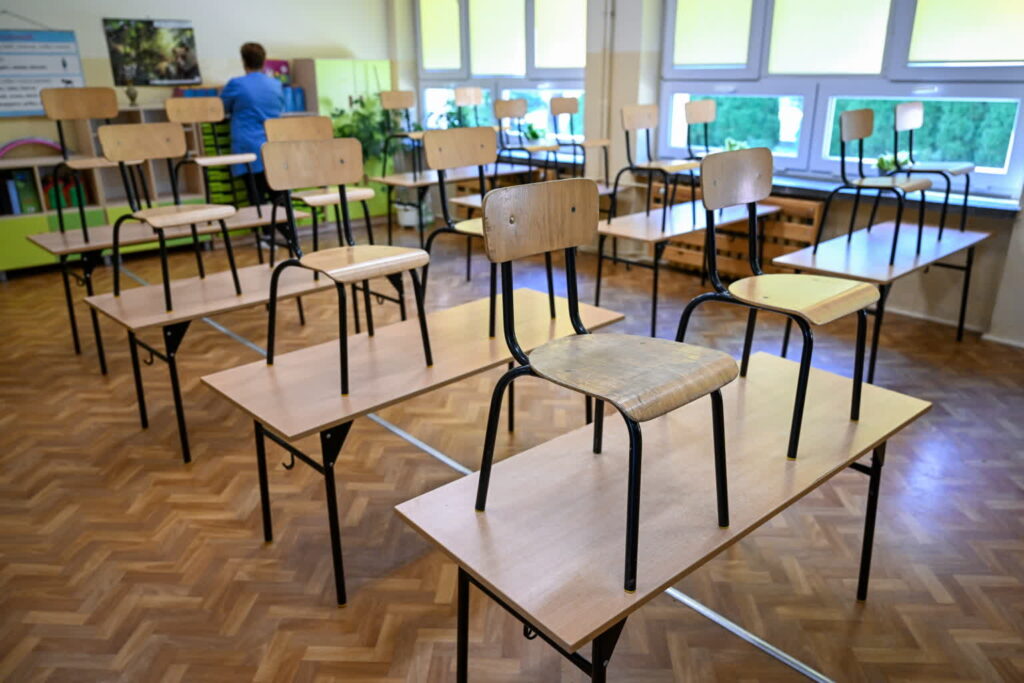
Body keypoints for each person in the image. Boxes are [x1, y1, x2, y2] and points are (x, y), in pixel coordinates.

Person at [220, 42, 283, 202]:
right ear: (264, 61)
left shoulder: (237, 84)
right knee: (278, 194)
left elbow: (220, 109)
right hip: (272, 145)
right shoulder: (276, 85)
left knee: (256, 197)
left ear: (243, 61)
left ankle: (262, 219)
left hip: (248, 146)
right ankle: (284, 219)